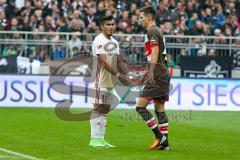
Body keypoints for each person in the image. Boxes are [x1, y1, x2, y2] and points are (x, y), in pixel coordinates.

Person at [89, 15, 130, 148]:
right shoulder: (99, 40)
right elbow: (104, 62)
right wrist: (119, 75)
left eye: (112, 24)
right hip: (99, 79)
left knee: (105, 109)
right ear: (102, 26)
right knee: (99, 108)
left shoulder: (114, 41)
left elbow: (118, 61)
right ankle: (94, 139)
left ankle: (101, 138)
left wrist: (128, 75)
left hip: (110, 80)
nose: (111, 27)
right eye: (108, 24)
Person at [136, 6, 170, 150]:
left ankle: (159, 137)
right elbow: (156, 53)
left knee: (140, 107)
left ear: (149, 17)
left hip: (157, 74)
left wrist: (151, 71)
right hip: (163, 72)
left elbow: (155, 51)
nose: (140, 20)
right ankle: (165, 144)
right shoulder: (157, 31)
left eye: (141, 17)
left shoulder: (152, 31)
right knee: (159, 108)